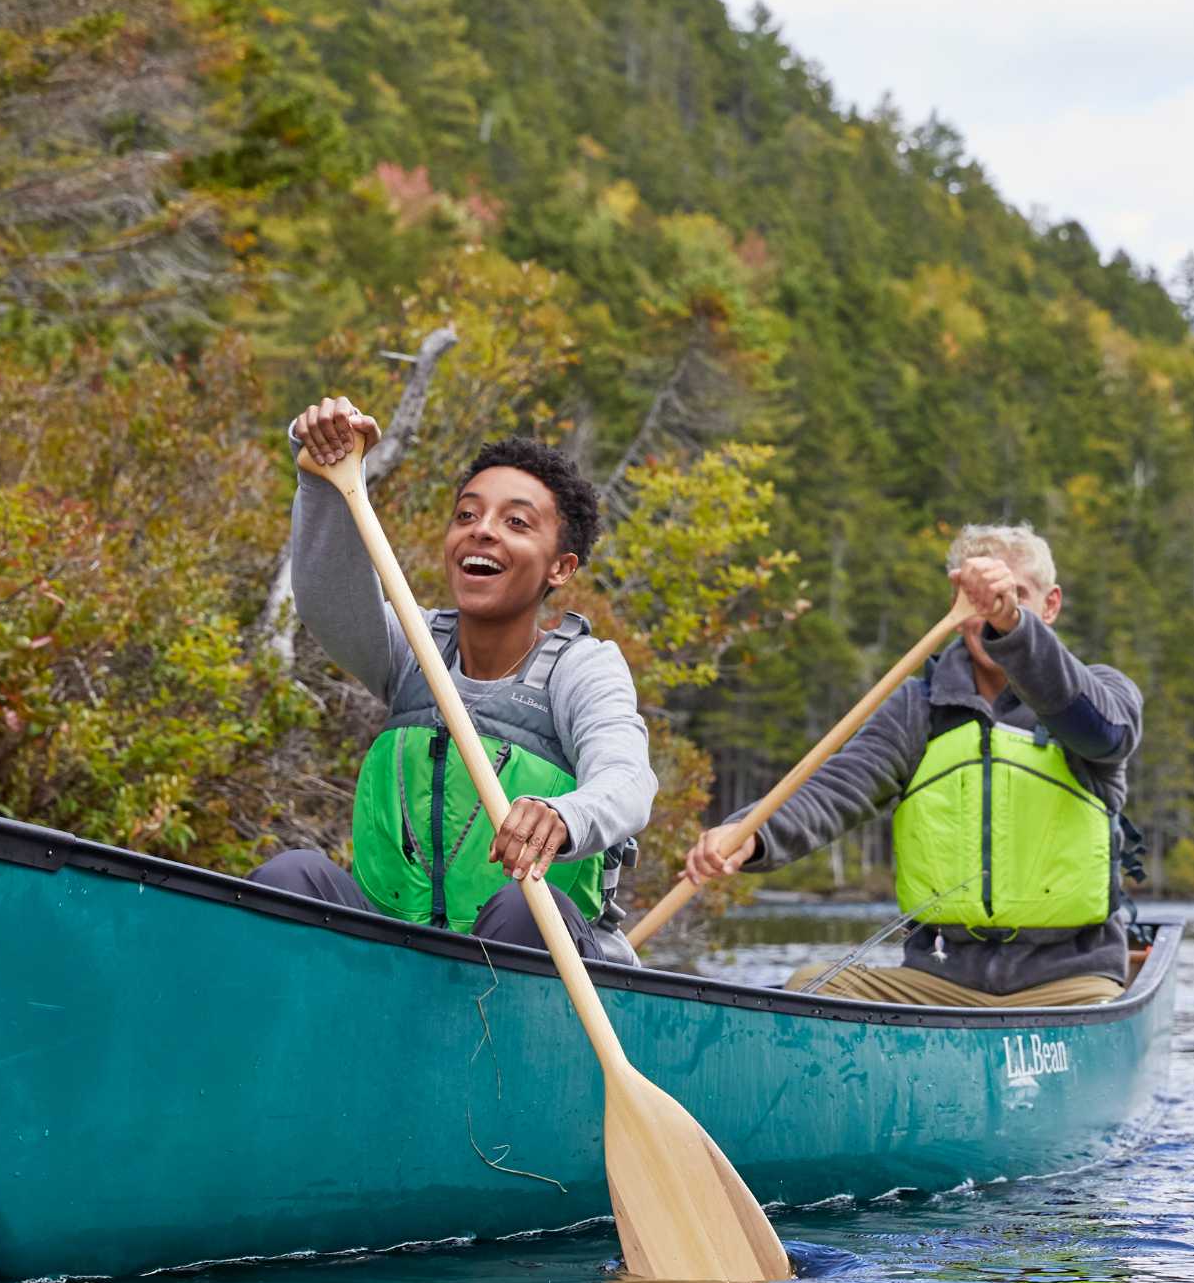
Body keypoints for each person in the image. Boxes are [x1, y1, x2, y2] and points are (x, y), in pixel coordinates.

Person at [249, 394, 657, 964]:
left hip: (535, 958)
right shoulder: (415, 650)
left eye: (516, 522)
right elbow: (328, 602)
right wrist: (321, 481)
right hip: (398, 955)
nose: (481, 532)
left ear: (561, 567)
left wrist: (565, 816)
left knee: (525, 904)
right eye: (467, 515)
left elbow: (627, 779)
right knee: (291, 875)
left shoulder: (581, 668)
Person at [682, 522, 1143, 1007]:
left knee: (1091, 1004)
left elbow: (1105, 736)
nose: (991, 614)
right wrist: (751, 834)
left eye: (1014, 595)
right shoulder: (917, 706)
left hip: (1071, 985)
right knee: (810, 986)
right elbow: (838, 790)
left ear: (1049, 605)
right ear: (957, 606)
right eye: (979, 599)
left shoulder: (1100, 693)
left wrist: (1014, 627)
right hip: (943, 981)